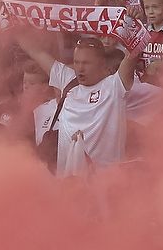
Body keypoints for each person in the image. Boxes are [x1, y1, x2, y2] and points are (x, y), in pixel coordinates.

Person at [14, 33, 140, 177]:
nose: (80, 68)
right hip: (68, 185)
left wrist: (132, 25)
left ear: (102, 64)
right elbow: (35, 51)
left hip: (106, 184)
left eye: (86, 63)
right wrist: (12, 22)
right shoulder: (68, 80)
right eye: (77, 62)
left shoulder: (115, 86)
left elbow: (134, 52)